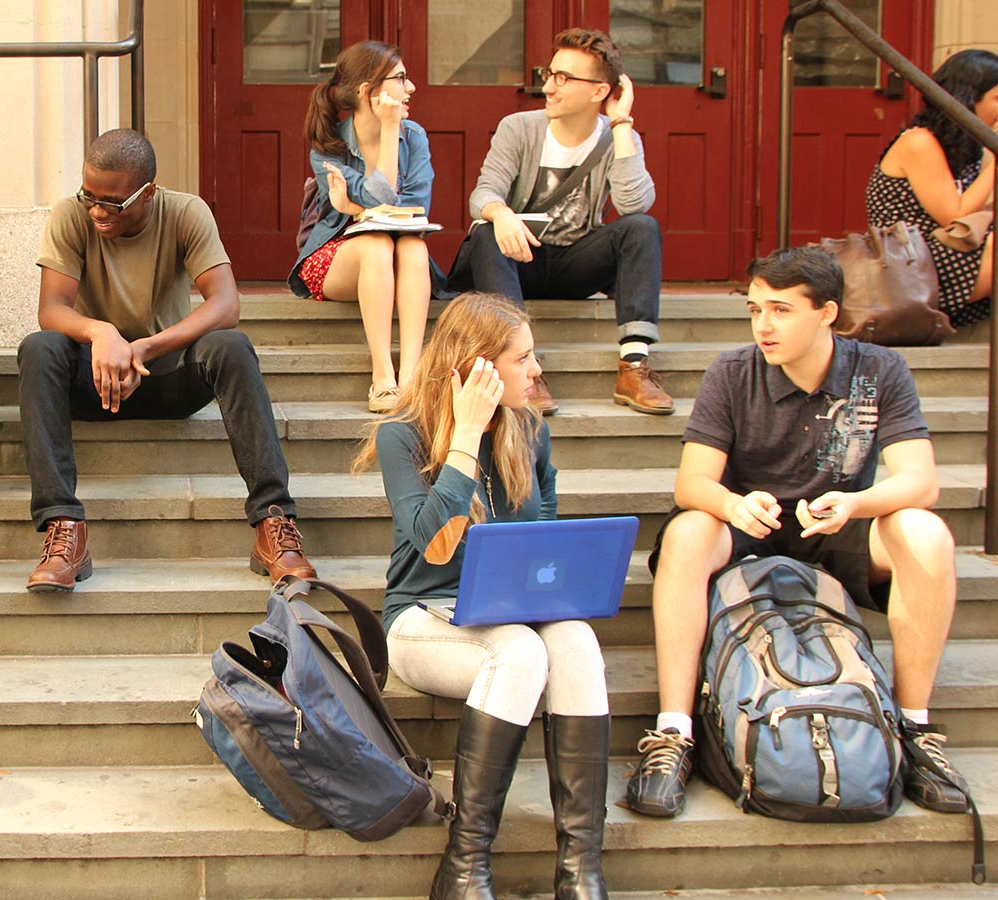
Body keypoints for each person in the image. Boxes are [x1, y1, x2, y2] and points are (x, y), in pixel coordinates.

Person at [626, 248, 970, 822]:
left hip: (834, 525)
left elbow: (921, 481)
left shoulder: (880, 371)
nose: (764, 325)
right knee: (688, 532)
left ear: (827, 312)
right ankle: (674, 733)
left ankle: (915, 730)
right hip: (750, 527)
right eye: (756, 309)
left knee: (925, 533)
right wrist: (734, 505)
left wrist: (857, 503)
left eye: (781, 310)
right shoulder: (732, 371)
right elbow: (692, 484)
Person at [354, 293, 610, 900]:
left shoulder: (531, 431)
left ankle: (581, 871)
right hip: (424, 620)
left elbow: (544, 549)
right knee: (519, 652)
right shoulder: (403, 438)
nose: (537, 370)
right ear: (478, 368)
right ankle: (465, 864)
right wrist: (467, 433)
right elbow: (434, 549)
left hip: (508, 615)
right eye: (522, 359)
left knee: (572, 638)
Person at [19, 128, 316, 592]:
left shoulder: (184, 212)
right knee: (39, 348)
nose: (97, 211)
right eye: (88, 196)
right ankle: (65, 530)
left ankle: (273, 524)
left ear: (149, 192)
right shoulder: (71, 216)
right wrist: (102, 333)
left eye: (112, 202)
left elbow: (225, 304)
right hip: (96, 383)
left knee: (232, 345)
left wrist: (147, 347)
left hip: (166, 378)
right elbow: (51, 309)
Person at [463, 28, 673, 417]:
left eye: (564, 78)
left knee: (643, 227)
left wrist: (622, 123)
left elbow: (633, 205)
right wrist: (502, 214)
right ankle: (525, 368)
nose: (550, 87)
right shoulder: (519, 128)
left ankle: (633, 367)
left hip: (575, 264)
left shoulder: (617, 138)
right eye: (550, 74)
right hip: (518, 259)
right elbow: (483, 194)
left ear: (599, 91)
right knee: (488, 231)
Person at [290, 40, 451, 413]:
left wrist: (355, 208)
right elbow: (382, 197)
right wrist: (390, 130)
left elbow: (415, 208)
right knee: (378, 243)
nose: (411, 88)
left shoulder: (416, 137)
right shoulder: (328, 147)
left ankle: (410, 376)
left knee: (414, 247)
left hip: (398, 249)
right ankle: (383, 375)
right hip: (335, 255)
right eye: (400, 79)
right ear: (368, 91)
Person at [866, 48, 998, 329]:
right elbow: (955, 215)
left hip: (948, 255)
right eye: (997, 98)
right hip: (909, 267)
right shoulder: (919, 142)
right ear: (968, 100)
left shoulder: (964, 145)